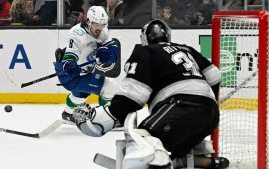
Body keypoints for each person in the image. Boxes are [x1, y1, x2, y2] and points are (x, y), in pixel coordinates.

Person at [71, 19, 230, 168]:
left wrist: (103, 118)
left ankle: (159, 163)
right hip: (210, 114)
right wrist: (205, 102)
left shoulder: (145, 52)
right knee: (166, 139)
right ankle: (199, 161)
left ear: (145, 38)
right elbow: (215, 75)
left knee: (141, 138)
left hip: (181, 106)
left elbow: (132, 96)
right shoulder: (186, 49)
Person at [54, 6, 119, 125]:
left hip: (84, 73)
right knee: (110, 87)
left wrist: (108, 54)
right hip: (70, 75)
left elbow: (113, 51)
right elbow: (70, 56)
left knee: (81, 94)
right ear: (88, 21)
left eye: (102, 24)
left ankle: (68, 114)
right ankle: (108, 120)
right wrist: (70, 65)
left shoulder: (102, 31)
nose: (99, 28)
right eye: (96, 24)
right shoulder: (77, 33)